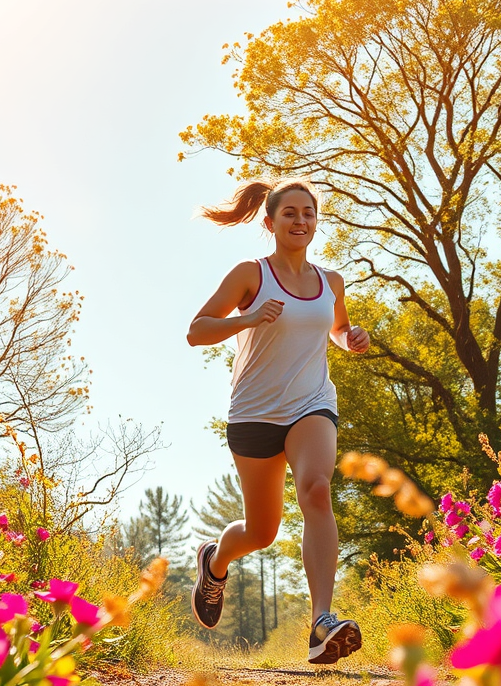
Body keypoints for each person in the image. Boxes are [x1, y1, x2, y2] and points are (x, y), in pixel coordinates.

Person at [186, 179, 370, 665]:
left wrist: (349, 337)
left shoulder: (330, 281)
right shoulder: (251, 274)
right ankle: (215, 560)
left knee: (316, 491)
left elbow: (333, 327)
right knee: (263, 531)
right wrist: (245, 320)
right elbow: (197, 331)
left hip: (311, 403)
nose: (301, 221)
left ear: (316, 220)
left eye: (308, 213)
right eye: (290, 213)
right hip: (254, 411)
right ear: (269, 222)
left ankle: (322, 623)